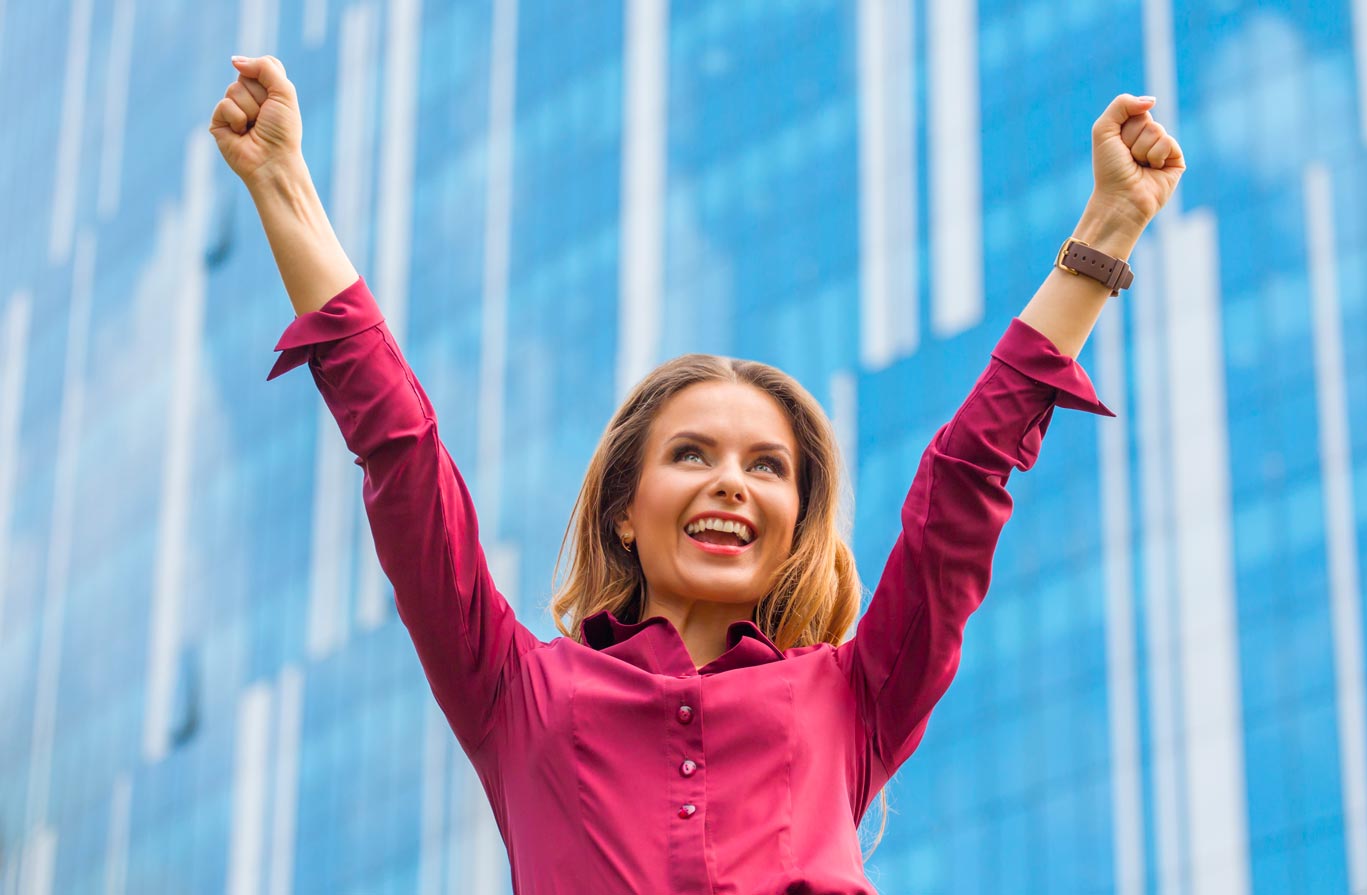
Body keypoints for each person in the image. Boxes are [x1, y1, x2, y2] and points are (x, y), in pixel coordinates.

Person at [211, 54, 1184, 894]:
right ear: (624, 512)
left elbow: (963, 488)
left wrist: (1104, 234)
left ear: (795, 524)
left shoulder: (855, 695)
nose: (732, 483)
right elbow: (403, 460)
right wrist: (282, 183)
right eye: (691, 454)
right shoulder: (513, 689)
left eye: (767, 468)